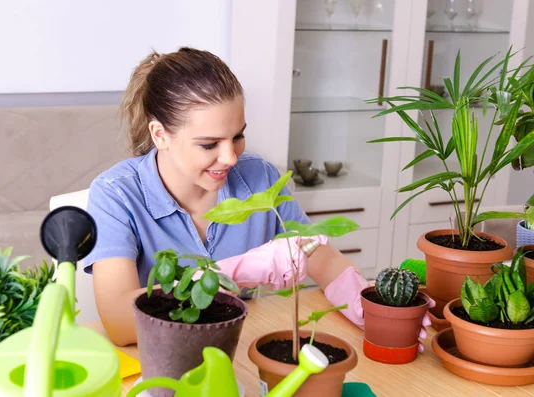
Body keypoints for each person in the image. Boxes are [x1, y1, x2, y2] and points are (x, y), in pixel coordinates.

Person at [83, 47, 433, 348]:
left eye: (237, 136)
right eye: (209, 144)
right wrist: (234, 271)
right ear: (160, 134)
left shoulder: (260, 178)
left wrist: (374, 310)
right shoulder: (116, 195)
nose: (230, 158)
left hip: (243, 347)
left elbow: (322, 259)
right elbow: (118, 322)